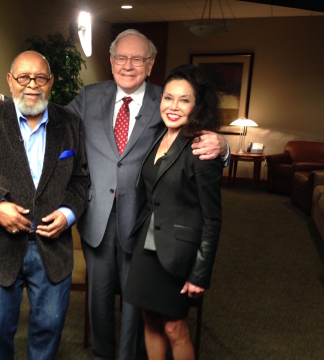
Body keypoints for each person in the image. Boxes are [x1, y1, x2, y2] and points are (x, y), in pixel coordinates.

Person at [0, 29, 228, 360]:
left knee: (140, 307)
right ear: (110, 62)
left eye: (137, 59)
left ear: (150, 64)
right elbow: (46, 113)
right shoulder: (89, 96)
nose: (128, 65)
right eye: (121, 57)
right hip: (96, 220)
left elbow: (194, 140)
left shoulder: (165, 99)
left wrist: (223, 148)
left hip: (142, 223)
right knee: (99, 301)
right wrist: (3, 102)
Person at [0, 50, 90, 360]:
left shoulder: (70, 123)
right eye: (23, 77)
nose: (32, 85)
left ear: (50, 82)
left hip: (52, 249)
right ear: (10, 81)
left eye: (40, 77)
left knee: (50, 327)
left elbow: (81, 180)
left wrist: (68, 215)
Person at [123, 64, 222, 360]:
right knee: (149, 320)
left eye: (184, 99)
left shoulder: (201, 147)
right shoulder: (159, 136)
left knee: (174, 328)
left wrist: (200, 274)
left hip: (177, 255)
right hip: (147, 248)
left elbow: (212, 219)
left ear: (197, 105)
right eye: (168, 98)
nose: (174, 106)